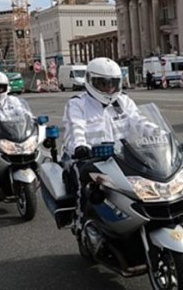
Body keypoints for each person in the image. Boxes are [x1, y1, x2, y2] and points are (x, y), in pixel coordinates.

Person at [62, 57, 162, 231]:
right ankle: (80, 223)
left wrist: (158, 133)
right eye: (103, 83)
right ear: (90, 81)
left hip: (121, 156)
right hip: (89, 158)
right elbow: (77, 127)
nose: (108, 88)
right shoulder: (78, 104)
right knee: (82, 184)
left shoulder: (123, 101)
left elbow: (138, 120)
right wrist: (80, 146)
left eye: (112, 83)